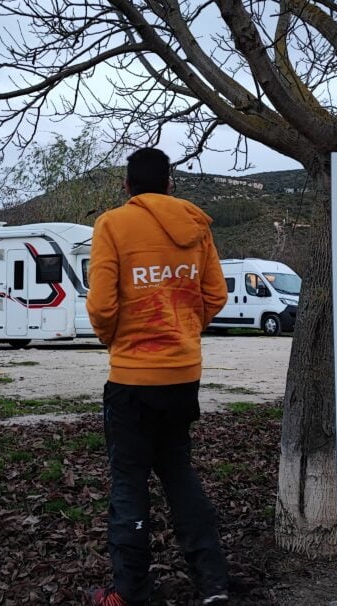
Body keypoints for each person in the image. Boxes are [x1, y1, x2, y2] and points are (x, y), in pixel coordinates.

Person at [85, 147, 230, 606]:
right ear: (170, 185)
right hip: (183, 376)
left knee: (129, 483)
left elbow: (102, 306)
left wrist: (115, 341)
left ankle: (128, 594)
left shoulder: (112, 224)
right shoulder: (197, 228)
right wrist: (187, 328)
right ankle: (214, 585)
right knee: (179, 474)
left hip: (132, 378)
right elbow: (216, 295)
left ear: (127, 187)